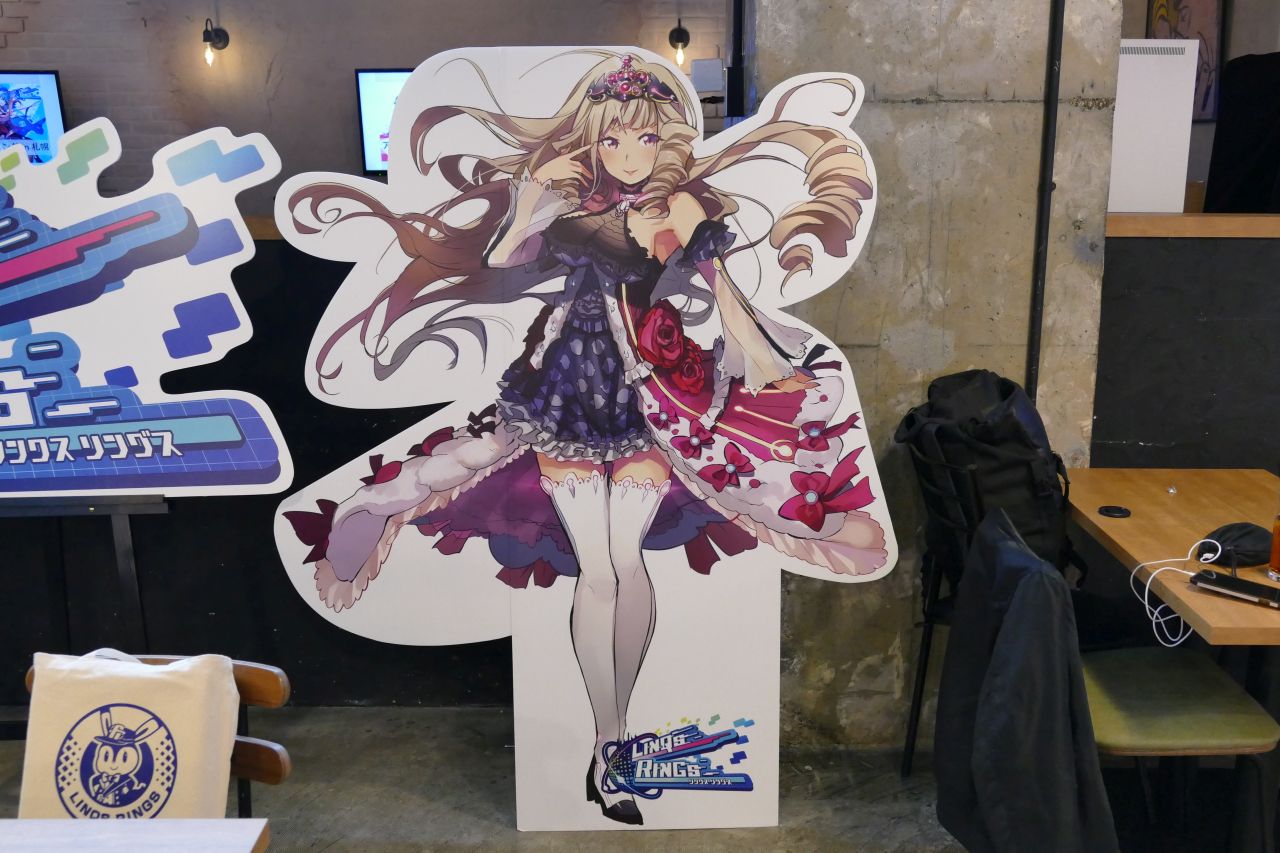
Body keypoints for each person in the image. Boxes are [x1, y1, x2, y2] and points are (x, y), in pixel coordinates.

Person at [284, 51, 887, 825]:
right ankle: (610, 743)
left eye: (645, 138)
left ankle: (614, 742)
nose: (630, 154)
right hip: (565, 388)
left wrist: (765, 363)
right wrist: (533, 198)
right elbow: (505, 257)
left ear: (665, 140)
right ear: (594, 141)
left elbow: (722, 292)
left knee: (626, 563)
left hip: (651, 393)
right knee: (597, 571)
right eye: (613, 140)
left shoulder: (680, 208)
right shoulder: (568, 203)